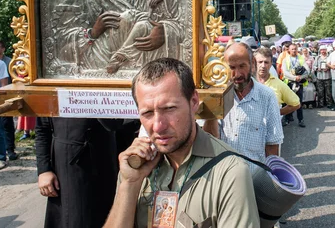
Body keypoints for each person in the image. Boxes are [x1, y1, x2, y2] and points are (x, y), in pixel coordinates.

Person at [104, 58, 260, 227]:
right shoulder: (136, 166)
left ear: (193, 102)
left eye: (169, 109)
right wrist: (130, 184)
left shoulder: (229, 172)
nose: (158, 126)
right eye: (147, 113)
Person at [203, 43, 284, 165]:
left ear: (252, 64)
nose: (237, 74)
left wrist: (270, 178)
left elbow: (273, 143)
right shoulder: (217, 95)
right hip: (225, 176)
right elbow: (210, 141)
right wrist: (212, 112)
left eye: (242, 66)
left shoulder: (267, 96)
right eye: (232, 67)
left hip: (255, 177)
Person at [36, 117, 123, 227]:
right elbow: (42, 129)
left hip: (104, 162)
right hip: (66, 166)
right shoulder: (52, 98)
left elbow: (116, 125)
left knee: (106, 215)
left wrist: (95, 103)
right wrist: (44, 170)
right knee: (73, 216)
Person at [254, 47, 301, 126]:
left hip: (271, 131)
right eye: (260, 62)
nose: (263, 65)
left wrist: (277, 113)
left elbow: (296, 104)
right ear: (253, 63)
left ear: (271, 63)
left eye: (266, 62)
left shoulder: (279, 84)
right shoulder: (248, 82)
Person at [0, 41, 18, 161]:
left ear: (3, 49)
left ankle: (10, 149)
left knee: (6, 124)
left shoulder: (8, 62)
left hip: (3, 94)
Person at [282, 44, 309, 127]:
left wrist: (300, 77)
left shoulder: (301, 59)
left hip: (299, 83)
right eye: (292, 49)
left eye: (295, 49)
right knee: (288, 102)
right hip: (289, 83)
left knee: (299, 102)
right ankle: (287, 118)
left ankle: (301, 120)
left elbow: (307, 71)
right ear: (289, 50)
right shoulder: (285, 60)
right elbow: (285, 73)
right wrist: (294, 78)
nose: (294, 50)